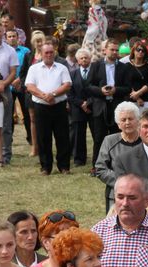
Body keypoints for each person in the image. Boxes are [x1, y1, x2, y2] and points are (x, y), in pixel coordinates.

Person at [25, 42, 72, 176]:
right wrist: (44, 96)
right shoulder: (34, 68)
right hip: (41, 107)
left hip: (59, 106)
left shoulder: (62, 68)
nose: (49, 55)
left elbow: (67, 85)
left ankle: (64, 166)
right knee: (43, 138)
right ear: (41, 53)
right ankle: (46, 167)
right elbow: (29, 86)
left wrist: (53, 94)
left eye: (51, 52)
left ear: (55, 52)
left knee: (62, 136)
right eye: (46, 52)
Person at [87, 39, 131, 165]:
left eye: (117, 50)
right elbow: (89, 86)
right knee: (99, 137)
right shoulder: (96, 65)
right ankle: (97, 165)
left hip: (117, 105)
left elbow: (128, 88)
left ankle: (116, 164)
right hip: (100, 105)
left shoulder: (124, 67)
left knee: (117, 136)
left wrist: (116, 90)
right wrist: (101, 91)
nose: (114, 52)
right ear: (105, 50)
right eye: (111, 49)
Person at [95, 102, 141, 211]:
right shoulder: (109, 141)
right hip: (115, 195)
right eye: (123, 120)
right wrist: (123, 182)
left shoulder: (146, 141)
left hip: (143, 194)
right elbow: (100, 169)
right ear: (118, 124)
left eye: (131, 119)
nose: (127, 122)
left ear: (138, 121)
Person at [68, 48, 93, 167]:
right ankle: (79, 159)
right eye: (81, 58)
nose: (84, 60)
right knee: (78, 134)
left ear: (90, 59)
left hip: (93, 107)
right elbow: (69, 94)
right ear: (77, 60)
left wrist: (88, 103)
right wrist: (81, 104)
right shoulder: (72, 74)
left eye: (86, 57)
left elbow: (98, 89)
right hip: (77, 109)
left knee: (97, 134)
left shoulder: (95, 72)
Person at [125, 41, 148, 107]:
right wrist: (137, 98)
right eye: (138, 50)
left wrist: (138, 93)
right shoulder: (127, 66)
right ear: (133, 51)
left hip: (146, 100)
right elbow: (126, 83)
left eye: (143, 51)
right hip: (130, 100)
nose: (140, 52)